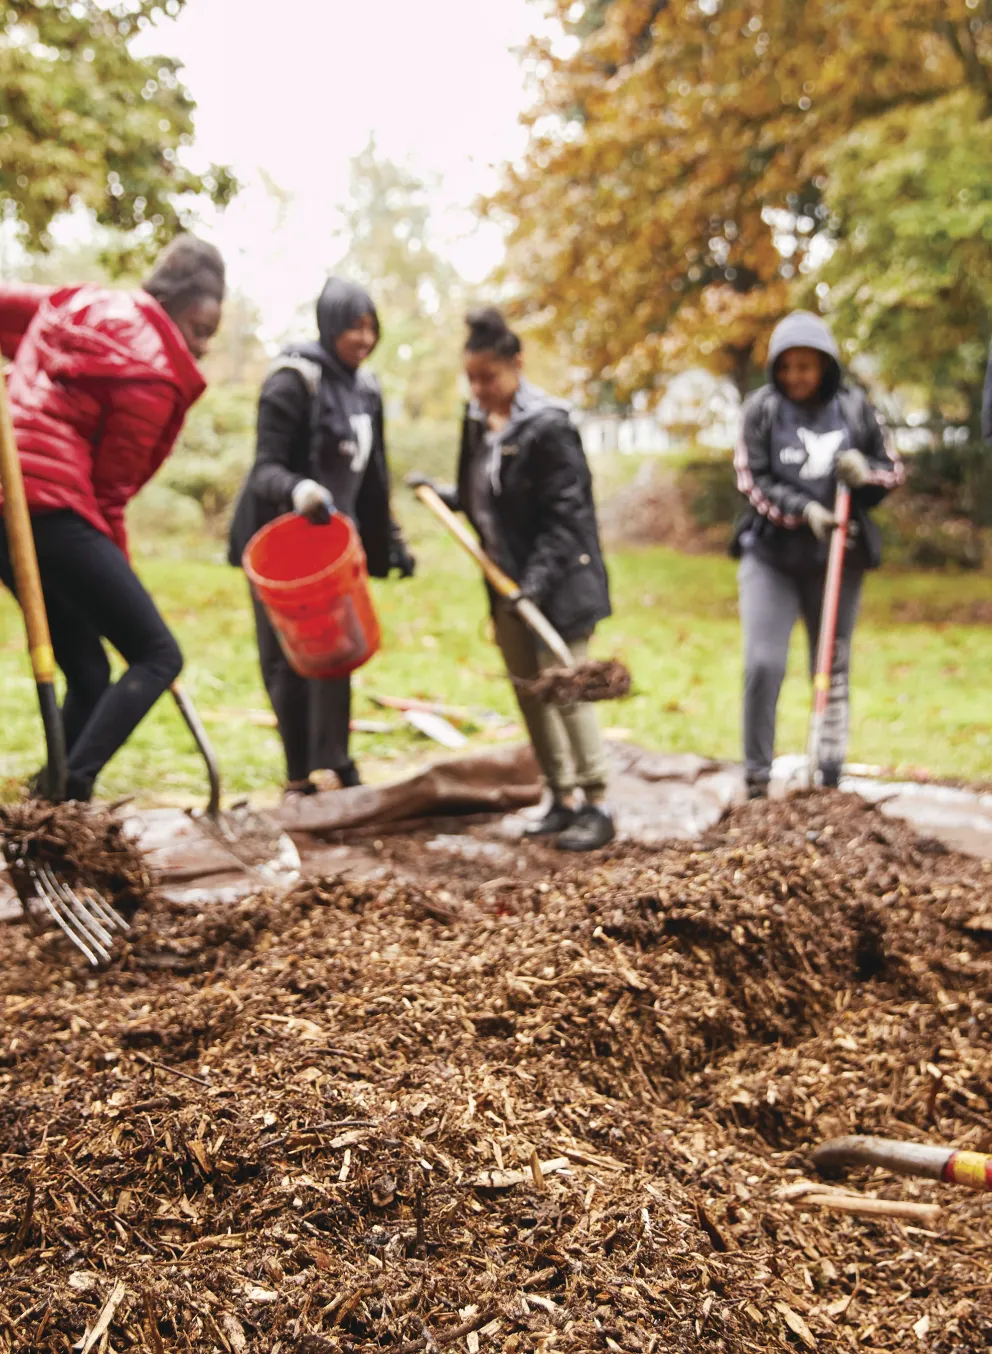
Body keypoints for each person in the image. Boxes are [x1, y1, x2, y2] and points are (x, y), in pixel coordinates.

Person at [0, 235, 225, 802]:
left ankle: (44, 801)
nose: (199, 348)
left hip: (6, 513)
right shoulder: (153, 372)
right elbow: (108, 495)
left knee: (90, 670)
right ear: (174, 302)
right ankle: (71, 793)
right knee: (157, 653)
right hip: (52, 510)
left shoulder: (81, 303)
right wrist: (120, 577)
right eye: (200, 329)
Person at [411, 307, 614, 852]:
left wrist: (535, 586)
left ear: (516, 365)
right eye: (472, 378)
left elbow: (566, 520)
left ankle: (597, 803)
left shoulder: (550, 426)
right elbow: (482, 496)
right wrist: (441, 494)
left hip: (559, 583)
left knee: (565, 688)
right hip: (506, 586)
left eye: (489, 378)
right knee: (531, 692)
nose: (479, 390)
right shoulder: (477, 420)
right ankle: (559, 795)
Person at [229, 278, 414, 797]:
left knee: (338, 651)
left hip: (335, 548)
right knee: (288, 657)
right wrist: (301, 490)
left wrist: (390, 545)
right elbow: (264, 470)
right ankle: (297, 775)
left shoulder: (366, 387)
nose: (364, 337)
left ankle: (337, 759)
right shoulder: (293, 380)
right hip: (282, 544)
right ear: (328, 326)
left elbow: (373, 477)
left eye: (371, 326)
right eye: (353, 326)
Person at [733, 310, 904, 798]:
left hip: (837, 558)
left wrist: (864, 473)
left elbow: (892, 469)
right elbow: (753, 481)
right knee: (763, 662)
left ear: (826, 366)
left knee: (832, 664)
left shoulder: (854, 409)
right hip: (770, 556)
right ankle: (756, 778)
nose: (795, 377)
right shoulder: (760, 410)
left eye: (806, 367)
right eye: (787, 367)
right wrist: (806, 511)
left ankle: (827, 779)